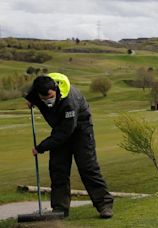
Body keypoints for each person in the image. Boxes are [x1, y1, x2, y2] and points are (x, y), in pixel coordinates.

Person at [24, 73, 114, 219]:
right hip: (60, 129)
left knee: (88, 167)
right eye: (44, 99)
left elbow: (64, 133)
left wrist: (41, 147)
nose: (48, 102)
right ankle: (60, 209)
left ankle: (104, 204)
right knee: (58, 169)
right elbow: (31, 94)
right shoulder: (39, 89)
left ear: (56, 89)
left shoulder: (69, 102)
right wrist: (30, 100)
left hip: (80, 129)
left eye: (51, 98)